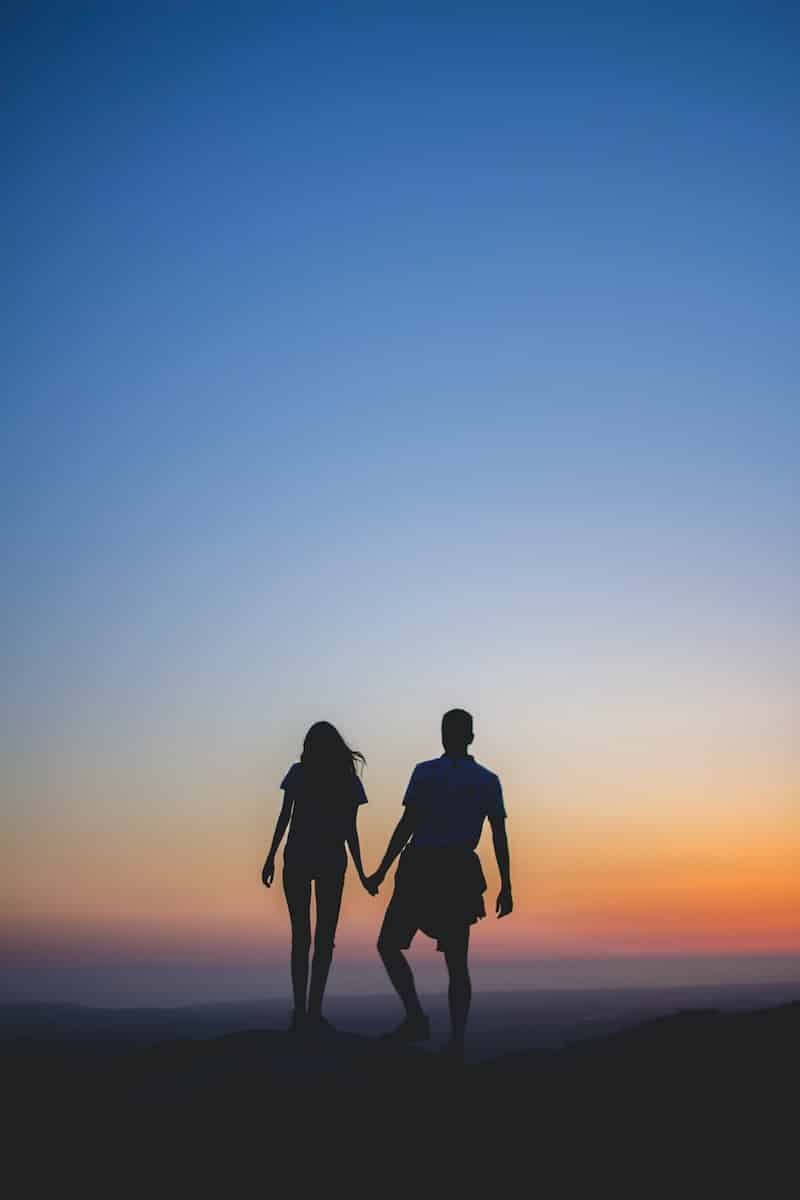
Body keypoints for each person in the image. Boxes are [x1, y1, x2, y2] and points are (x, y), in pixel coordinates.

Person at [368, 709, 512, 1061]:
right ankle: (455, 1044)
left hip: (423, 867)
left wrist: (382, 870)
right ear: (471, 737)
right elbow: (499, 836)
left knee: (390, 944)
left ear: (444, 735)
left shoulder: (426, 772)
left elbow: (407, 825)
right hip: (456, 871)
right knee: (456, 963)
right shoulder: (486, 780)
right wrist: (506, 885)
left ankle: (418, 1019)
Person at [262, 721, 376, 1033]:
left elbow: (285, 816)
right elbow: (350, 832)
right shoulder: (347, 781)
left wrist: (271, 856)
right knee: (324, 939)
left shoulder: (299, 773)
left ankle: (302, 1012)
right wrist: (363, 873)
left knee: (302, 937)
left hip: (298, 856)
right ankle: (312, 1012)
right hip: (330, 859)